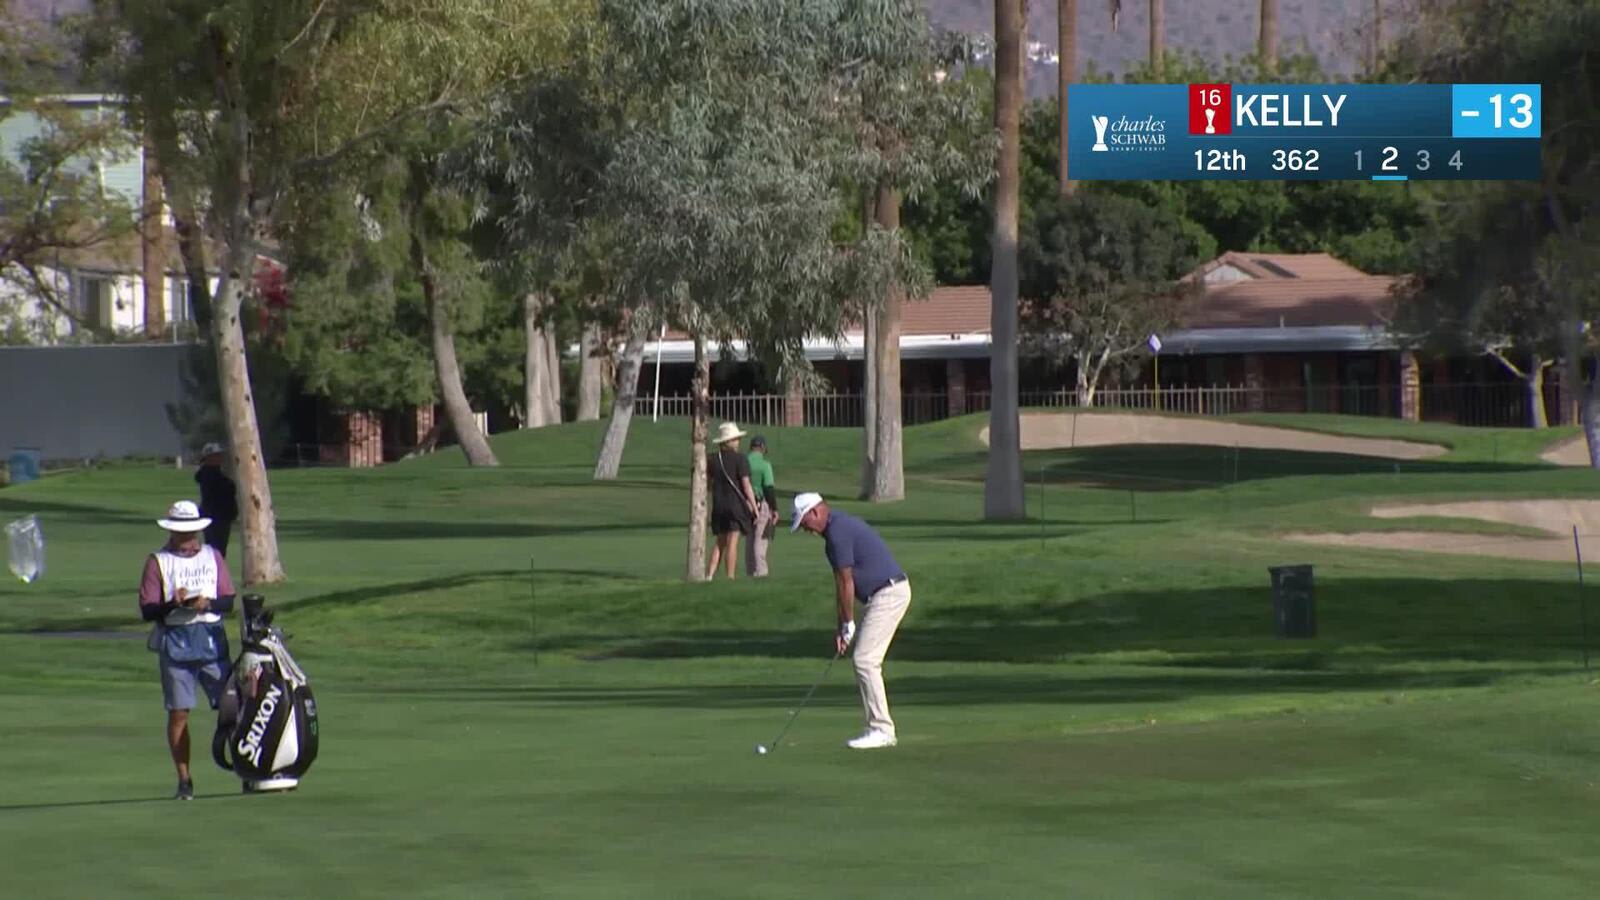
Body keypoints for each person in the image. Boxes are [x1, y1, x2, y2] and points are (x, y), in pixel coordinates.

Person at [791, 492, 911, 750]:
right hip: (880, 595)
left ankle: (882, 729)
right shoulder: (835, 532)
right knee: (865, 659)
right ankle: (878, 728)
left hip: (889, 592)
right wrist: (842, 628)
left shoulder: (838, 532)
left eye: (805, 523)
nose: (806, 530)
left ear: (816, 512)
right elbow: (841, 585)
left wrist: (848, 624)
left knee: (865, 660)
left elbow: (847, 582)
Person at [139, 500, 237, 799]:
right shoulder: (157, 561)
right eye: (181, 531)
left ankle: (247, 770)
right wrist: (175, 604)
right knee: (179, 714)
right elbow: (148, 610)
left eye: (190, 530)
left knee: (233, 710)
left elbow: (228, 601)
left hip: (210, 638)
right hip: (176, 640)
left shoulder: (212, 556)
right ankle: (185, 781)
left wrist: (207, 602)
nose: (187, 537)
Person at [706, 422, 759, 581]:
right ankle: (730, 576)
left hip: (719, 505)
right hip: (735, 505)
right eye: (735, 439)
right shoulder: (740, 459)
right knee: (732, 542)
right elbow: (746, 485)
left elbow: (708, 483)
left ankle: (709, 575)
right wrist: (754, 507)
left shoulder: (713, 459)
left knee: (720, 542)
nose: (738, 442)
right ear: (728, 441)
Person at [194, 441, 238, 557]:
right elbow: (228, 488)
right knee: (216, 550)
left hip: (221, 516)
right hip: (215, 516)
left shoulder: (215, 473)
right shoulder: (209, 474)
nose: (220, 457)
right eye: (216, 455)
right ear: (208, 458)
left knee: (218, 549)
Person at [745, 435, 777, 577]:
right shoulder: (765, 465)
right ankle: (761, 572)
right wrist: (774, 508)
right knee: (760, 540)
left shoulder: (744, 461)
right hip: (761, 503)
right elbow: (769, 488)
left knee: (749, 540)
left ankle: (750, 572)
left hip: (745, 505)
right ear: (763, 447)